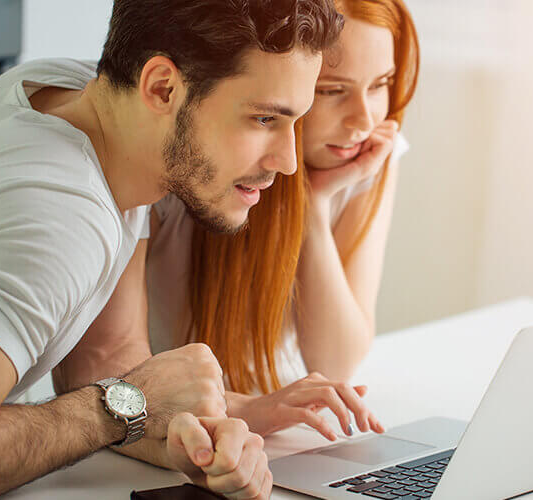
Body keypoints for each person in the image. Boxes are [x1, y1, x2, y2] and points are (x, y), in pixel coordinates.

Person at [0, 0, 343, 497]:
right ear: (162, 87)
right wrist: (120, 407)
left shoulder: (64, 93)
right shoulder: (61, 219)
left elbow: (103, 360)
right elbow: (117, 392)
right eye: (262, 119)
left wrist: (180, 437)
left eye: (293, 122)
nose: (289, 161)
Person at [142, 0, 420, 441]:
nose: (364, 120)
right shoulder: (185, 165)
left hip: (276, 432)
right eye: (331, 91)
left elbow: (335, 361)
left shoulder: (369, 154)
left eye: (380, 84)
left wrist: (311, 205)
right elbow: (116, 373)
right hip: (166, 431)